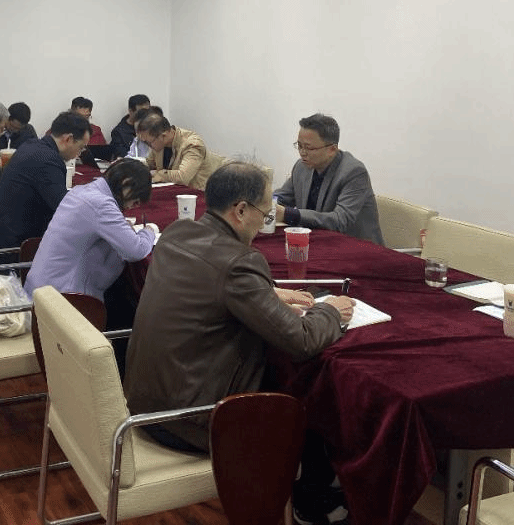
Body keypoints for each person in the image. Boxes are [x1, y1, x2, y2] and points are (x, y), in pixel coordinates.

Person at [124, 161, 354, 524]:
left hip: (144, 402)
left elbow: (211, 284)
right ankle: (313, 502)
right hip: (191, 420)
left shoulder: (178, 232)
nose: (265, 223)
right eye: (264, 213)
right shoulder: (240, 261)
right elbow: (302, 339)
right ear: (241, 210)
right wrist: (331, 311)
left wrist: (266, 293)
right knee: (303, 396)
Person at [23, 158, 158, 303]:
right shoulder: (101, 204)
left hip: (41, 290)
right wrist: (149, 231)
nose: (132, 207)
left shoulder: (81, 191)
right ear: (126, 183)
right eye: (135, 201)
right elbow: (136, 251)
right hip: (63, 301)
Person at [0, 111, 90, 250]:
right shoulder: (48, 160)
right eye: (80, 148)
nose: (78, 154)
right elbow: (64, 208)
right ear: (68, 139)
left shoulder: (32, 145)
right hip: (9, 248)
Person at [274, 113, 384, 245]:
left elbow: (339, 221)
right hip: (316, 242)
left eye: (309, 148)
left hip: (355, 247)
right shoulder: (301, 167)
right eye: (299, 146)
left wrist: (290, 214)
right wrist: (264, 202)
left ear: (332, 149)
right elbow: (281, 198)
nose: (302, 153)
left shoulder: (354, 173)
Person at [134, 109, 220, 189]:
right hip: (177, 190)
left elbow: (183, 177)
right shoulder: (159, 144)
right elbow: (149, 163)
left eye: (149, 142)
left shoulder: (192, 144)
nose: (148, 146)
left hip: (203, 192)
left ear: (163, 135)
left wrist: (160, 174)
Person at [109, 94, 150, 159]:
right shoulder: (118, 132)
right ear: (130, 111)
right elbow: (123, 156)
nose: (145, 115)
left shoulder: (153, 127)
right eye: (141, 112)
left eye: (147, 111)